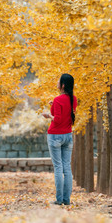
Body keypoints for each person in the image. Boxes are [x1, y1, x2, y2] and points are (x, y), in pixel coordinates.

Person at [41, 73, 77, 205]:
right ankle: (66, 200)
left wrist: (48, 115)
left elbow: (57, 119)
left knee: (58, 167)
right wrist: (53, 104)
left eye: (58, 81)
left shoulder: (58, 100)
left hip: (55, 135)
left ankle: (59, 199)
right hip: (68, 136)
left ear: (62, 85)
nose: (57, 83)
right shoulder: (74, 99)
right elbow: (66, 114)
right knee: (67, 167)